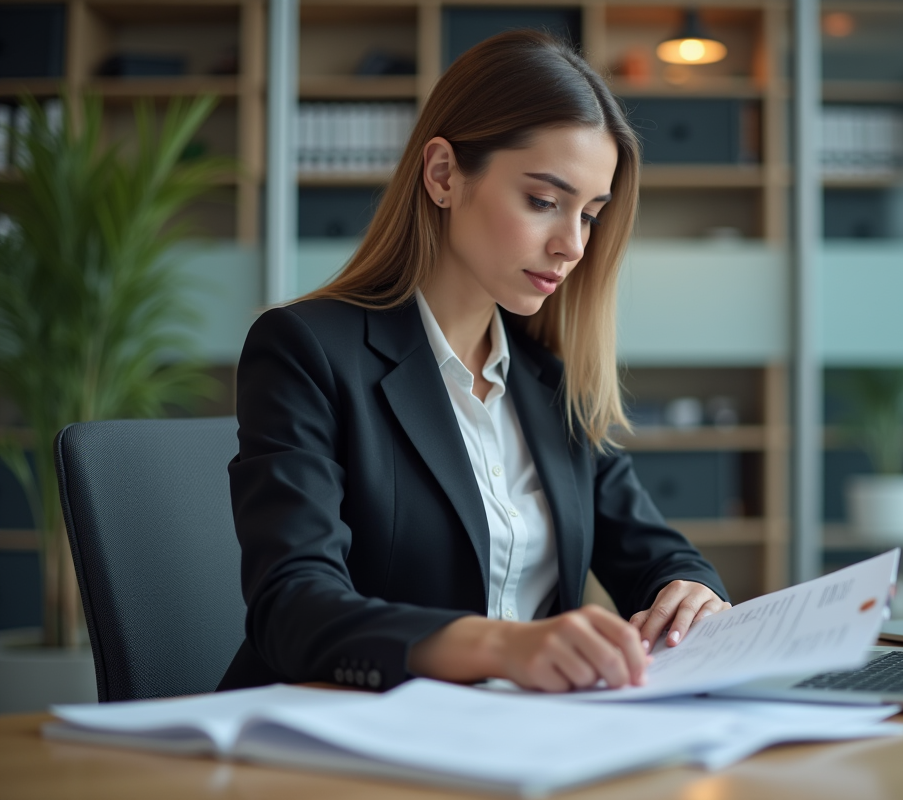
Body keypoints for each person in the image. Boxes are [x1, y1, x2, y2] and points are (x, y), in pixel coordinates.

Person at [219, 30, 729, 695]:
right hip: (343, 747)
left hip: (520, 743)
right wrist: (504, 646)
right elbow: (293, 609)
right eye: (544, 202)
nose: (572, 245)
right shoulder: (306, 350)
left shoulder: (549, 377)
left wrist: (687, 592)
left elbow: (655, 551)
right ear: (443, 175)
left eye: (590, 214)